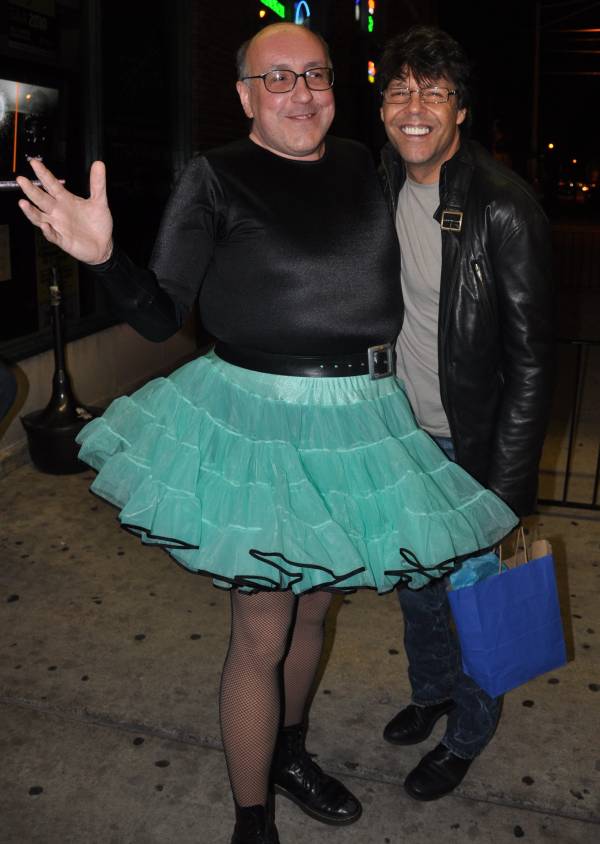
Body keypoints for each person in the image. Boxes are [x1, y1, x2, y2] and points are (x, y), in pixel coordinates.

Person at [17, 23, 518, 843]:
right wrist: (104, 257)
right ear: (246, 94)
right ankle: (252, 820)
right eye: (276, 79)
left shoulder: (363, 162)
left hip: (359, 419)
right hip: (257, 421)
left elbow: (439, 186)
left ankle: (289, 752)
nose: (300, 92)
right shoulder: (216, 176)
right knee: (263, 627)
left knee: (315, 609)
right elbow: (160, 316)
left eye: (314, 74)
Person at [377, 25, 555, 802]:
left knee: (477, 599)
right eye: (400, 89)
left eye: (434, 92)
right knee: (417, 590)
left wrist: (506, 487)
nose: (414, 107)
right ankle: (434, 691)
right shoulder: (377, 184)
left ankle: (469, 733)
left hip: (472, 450)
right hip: (400, 440)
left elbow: (531, 361)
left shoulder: (505, 208)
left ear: (461, 111)